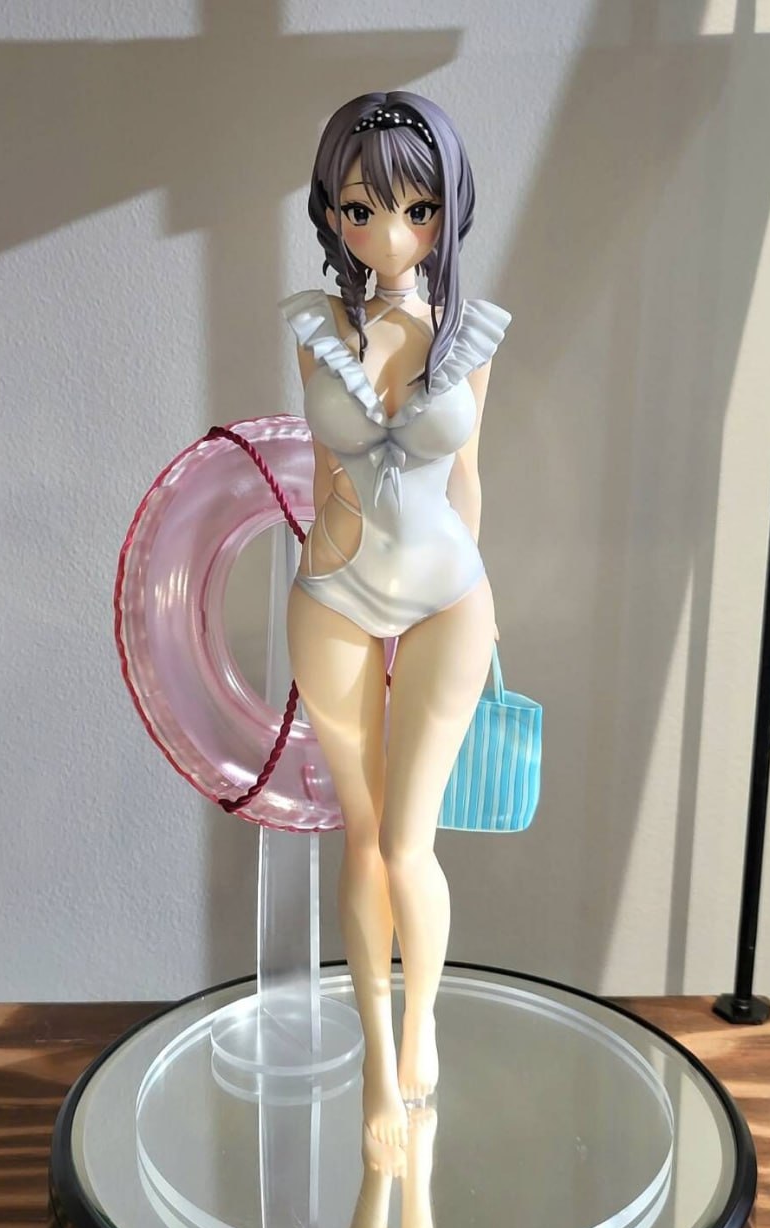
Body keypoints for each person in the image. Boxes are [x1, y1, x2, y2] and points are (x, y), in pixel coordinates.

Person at [281, 91, 510, 1146]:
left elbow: (468, 480)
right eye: (362, 210)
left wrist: (487, 608)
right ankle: (377, 1055)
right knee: (365, 839)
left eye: (417, 211)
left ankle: (423, 1027)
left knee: (411, 842)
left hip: (447, 596)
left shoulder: (469, 335)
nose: (389, 233)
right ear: (332, 212)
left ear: (448, 211)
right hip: (334, 589)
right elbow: (321, 467)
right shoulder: (315, 327)